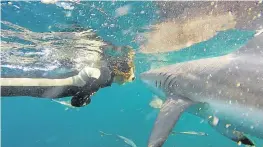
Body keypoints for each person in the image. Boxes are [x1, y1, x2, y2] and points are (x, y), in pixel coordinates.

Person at [1, 21, 136, 107]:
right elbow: (94, 76)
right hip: (49, 85)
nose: (132, 78)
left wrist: (85, 95)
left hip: (47, 88)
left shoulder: (105, 78)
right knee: (11, 85)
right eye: (132, 73)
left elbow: (88, 86)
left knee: (12, 88)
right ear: (123, 71)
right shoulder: (105, 74)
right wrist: (85, 95)